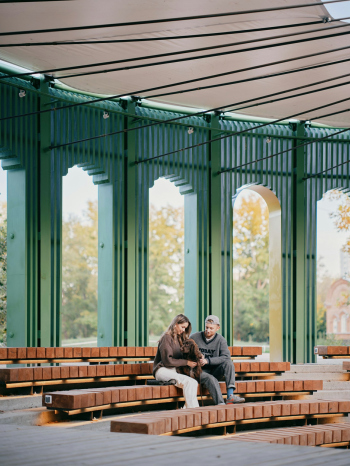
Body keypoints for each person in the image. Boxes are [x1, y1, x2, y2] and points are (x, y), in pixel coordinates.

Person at [191, 315, 245, 405]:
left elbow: (226, 357)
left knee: (228, 363)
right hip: (198, 371)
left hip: (214, 370)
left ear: (218, 328)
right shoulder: (194, 337)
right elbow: (185, 352)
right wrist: (197, 359)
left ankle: (230, 396)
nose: (208, 330)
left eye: (211, 328)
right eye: (206, 327)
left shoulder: (221, 340)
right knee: (210, 379)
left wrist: (208, 360)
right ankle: (220, 404)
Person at [153, 314, 199, 408]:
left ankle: (187, 410)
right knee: (189, 382)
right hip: (162, 370)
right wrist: (186, 363)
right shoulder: (166, 338)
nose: (183, 330)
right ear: (175, 324)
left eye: (185, 328)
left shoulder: (179, 339)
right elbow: (167, 361)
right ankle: (194, 412)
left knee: (194, 382)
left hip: (173, 371)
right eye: (182, 327)